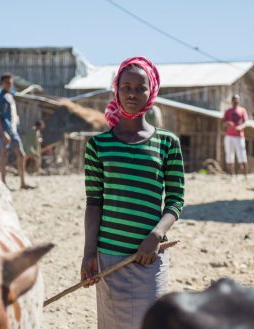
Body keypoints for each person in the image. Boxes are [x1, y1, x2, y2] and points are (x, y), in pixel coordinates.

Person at [81, 57, 185, 329]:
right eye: (126, 87)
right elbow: (94, 203)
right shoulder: (98, 145)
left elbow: (175, 200)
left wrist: (156, 234)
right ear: (116, 89)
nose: (132, 94)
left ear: (152, 92)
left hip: (149, 257)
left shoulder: (167, 143)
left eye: (141, 88)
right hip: (108, 257)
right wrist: (89, 253)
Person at [0, 73, 34, 189]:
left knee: (21, 154)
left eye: (10, 82)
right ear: (2, 83)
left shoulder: (10, 96)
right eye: (7, 82)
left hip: (13, 129)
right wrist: (3, 132)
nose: (9, 84)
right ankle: (3, 183)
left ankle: (22, 182)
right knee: (4, 154)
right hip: (4, 129)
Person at [222, 94, 249, 178]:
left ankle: (245, 175)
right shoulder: (228, 111)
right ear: (232, 100)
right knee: (229, 155)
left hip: (239, 136)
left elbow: (246, 122)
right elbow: (223, 123)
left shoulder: (242, 110)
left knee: (242, 154)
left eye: (237, 99)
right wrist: (227, 123)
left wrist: (241, 127)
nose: (236, 101)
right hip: (229, 136)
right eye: (234, 99)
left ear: (239, 100)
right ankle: (232, 175)